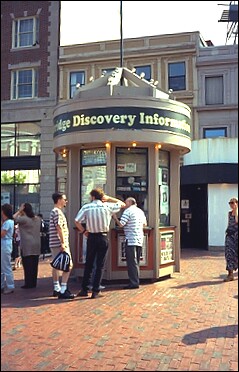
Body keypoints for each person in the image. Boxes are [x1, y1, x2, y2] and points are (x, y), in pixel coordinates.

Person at [75, 188, 126, 299]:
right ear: (101, 197)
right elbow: (122, 204)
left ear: (93, 197)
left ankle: (85, 288)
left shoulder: (87, 207)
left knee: (89, 263)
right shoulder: (107, 206)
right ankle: (96, 290)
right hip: (103, 236)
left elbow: (77, 221)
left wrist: (84, 231)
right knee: (100, 264)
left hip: (91, 237)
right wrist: (109, 198)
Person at [113, 197, 147, 289]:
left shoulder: (127, 211)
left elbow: (121, 224)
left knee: (132, 262)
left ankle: (134, 283)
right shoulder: (140, 211)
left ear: (130, 202)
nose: (124, 203)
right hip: (139, 238)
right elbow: (145, 224)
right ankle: (136, 280)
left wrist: (115, 218)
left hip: (131, 239)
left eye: (126, 202)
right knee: (136, 262)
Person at [49, 192, 75, 299]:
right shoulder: (58, 213)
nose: (66, 201)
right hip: (60, 243)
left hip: (54, 242)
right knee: (68, 265)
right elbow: (59, 227)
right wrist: (63, 242)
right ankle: (63, 289)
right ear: (59, 200)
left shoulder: (53, 212)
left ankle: (57, 287)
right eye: (64, 199)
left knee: (56, 265)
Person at [13, 203, 41, 289]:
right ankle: (33, 282)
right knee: (34, 264)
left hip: (27, 244)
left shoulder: (24, 219)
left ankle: (28, 283)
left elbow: (13, 218)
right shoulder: (37, 219)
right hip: (36, 243)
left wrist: (19, 211)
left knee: (27, 264)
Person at [1, 204, 15, 294]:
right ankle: (2, 285)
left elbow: (2, 234)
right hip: (5, 243)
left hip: (5, 244)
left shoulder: (8, 222)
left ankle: (10, 286)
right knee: (3, 266)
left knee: (6, 266)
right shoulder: (7, 222)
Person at [223, 197, 238, 282]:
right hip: (230, 235)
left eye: (233, 203)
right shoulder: (229, 213)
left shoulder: (237, 212)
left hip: (237, 235)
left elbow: (237, 220)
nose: (231, 205)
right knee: (229, 253)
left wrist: (236, 210)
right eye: (230, 203)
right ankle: (230, 274)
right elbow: (229, 223)